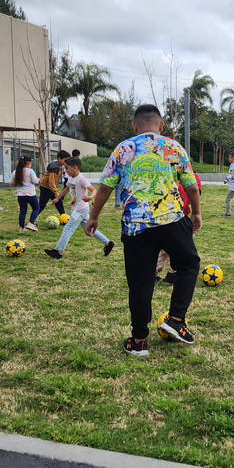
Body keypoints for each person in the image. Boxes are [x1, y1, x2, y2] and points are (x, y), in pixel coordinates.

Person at [84, 104, 202, 356]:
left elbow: (104, 188)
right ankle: (176, 320)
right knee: (189, 263)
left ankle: (138, 341)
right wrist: (197, 212)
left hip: (135, 226)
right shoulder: (174, 147)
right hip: (171, 219)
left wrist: (93, 217)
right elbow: (191, 186)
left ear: (134, 126)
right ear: (161, 126)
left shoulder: (122, 149)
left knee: (140, 282)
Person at [44, 157, 114, 260]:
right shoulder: (71, 178)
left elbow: (94, 190)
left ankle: (58, 251)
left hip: (81, 209)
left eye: (67, 168)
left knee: (67, 229)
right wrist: (57, 198)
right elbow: (67, 189)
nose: (65, 171)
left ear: (75, 168)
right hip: (78, 209)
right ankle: (108, 243)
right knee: (88, 228)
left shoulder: (81, 179)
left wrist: (90, 197)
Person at [9, 156, 41, 232]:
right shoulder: (30, 171)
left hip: (20, 195)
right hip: (30, 194)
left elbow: (10, 182)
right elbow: (35, 181)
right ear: (28, 162)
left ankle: (21, 228)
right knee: (36, 208)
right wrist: (39, 179)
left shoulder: (15, 172)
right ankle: (31, 223)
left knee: (23, 211)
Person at [37, 151, 70, 217]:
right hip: (46, 187)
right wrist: (55, 192)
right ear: (59, 159)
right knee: (42, 205)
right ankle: (31, 220)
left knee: (59, 202)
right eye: (65, 160)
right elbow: (51, 182)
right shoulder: (55, 168)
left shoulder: (60, 166)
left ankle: (64, 217)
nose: (66, 161)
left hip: (51, 187)